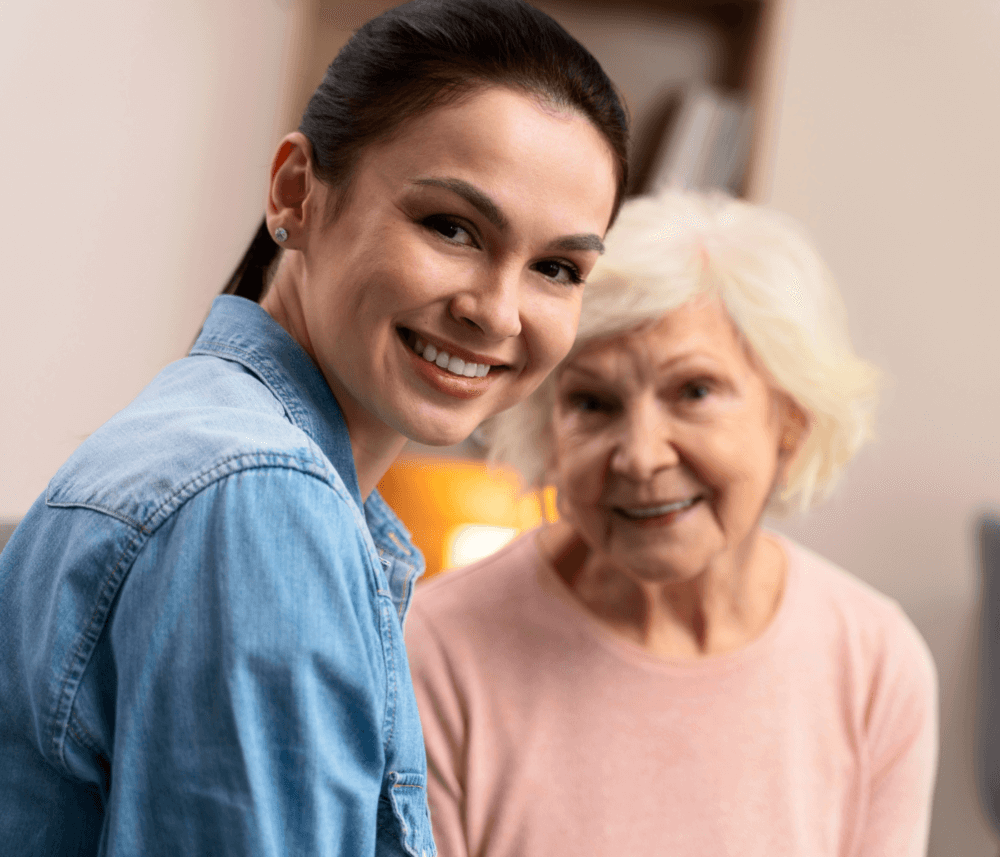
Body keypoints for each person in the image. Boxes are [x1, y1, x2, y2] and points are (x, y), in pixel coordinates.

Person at [0, 2, 628, 854]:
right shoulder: (256, 495)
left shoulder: (218, 453)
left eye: (557, 267)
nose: (498, 311)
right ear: (296, 191)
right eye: (451, 227)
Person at [405, 190, 938, 857]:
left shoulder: (876, 661)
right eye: (593, 403)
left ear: (791, 420)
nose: (641, 455)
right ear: (548, 430)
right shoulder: (437, 649)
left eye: (694, 392)